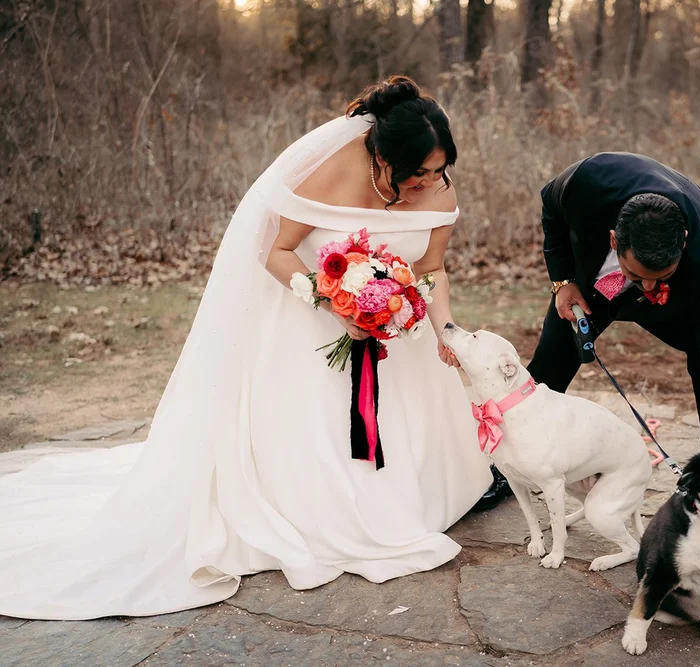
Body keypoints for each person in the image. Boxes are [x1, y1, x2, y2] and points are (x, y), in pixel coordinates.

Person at [0, 76, 492, 620]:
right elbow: (276, 249)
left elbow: (431, 269)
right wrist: (335, 304)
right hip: (310, 331)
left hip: (398, 341)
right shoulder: (329, 172)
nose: (429, 182)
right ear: (380, 160)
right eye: (415, 173)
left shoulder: (441, 192)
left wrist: (445, 330)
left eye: (438, 170)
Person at [474, 152, 700, 511]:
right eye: (638, 277)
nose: (648, 289)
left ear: (683, 241)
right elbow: (551, 205)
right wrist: (563, 281)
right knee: (553, 358)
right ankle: (510, 468)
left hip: (685, 295)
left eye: (659, 277)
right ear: (614, 241)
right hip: (595, 284)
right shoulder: (589, 182)